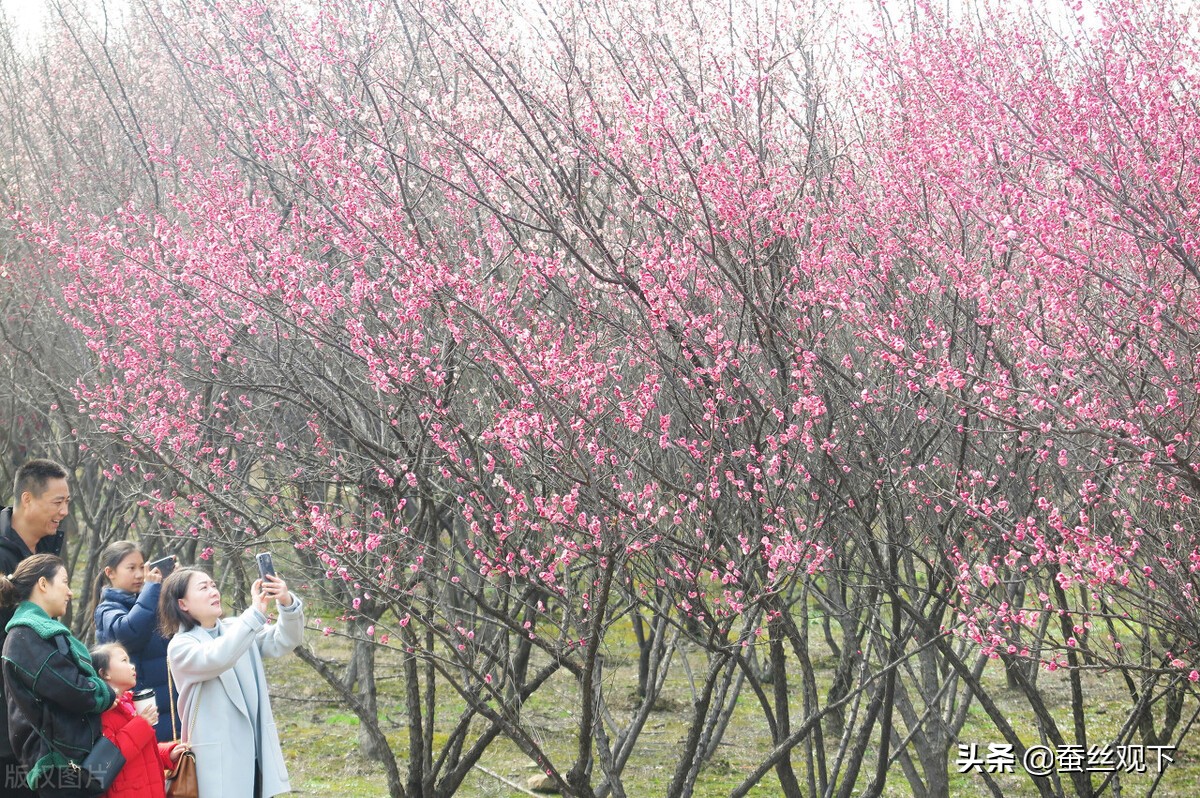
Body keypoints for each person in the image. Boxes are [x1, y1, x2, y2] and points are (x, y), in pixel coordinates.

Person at [159, 567, 304, 798]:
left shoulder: (236, 628)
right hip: (218, 761)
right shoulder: (181, 646)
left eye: (214, 585)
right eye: (203, 588)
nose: (213, 591)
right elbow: (217, 657)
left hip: (255, 752)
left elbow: (284, 640)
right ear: (183, 604)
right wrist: (254, 614)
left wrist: (286, 603)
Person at [1, 554, 116, 798]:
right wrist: (107, 691)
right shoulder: (27, 636)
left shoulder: (35, 632)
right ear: (43, 584)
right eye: (64, 582)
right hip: (58, 764)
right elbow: (75, 690)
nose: (70, 592)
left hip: (69, 762)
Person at [0, 459, 71, 797]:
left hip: (43, 720)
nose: (65, 511)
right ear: (27, 499)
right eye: (58, 502)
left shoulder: (48, 547)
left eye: (67, 501)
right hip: (8, 726)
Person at [93, 541, 175, 741]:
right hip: (143, 707)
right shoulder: (106, 609)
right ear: (110, 572)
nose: (139, 575)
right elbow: (129, 633)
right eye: (131, 568)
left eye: (141, 567)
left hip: (171, 705)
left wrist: (171, 588)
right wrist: (152, 589)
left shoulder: (152, 599)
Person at [91, 642, 186, 798]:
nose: (132, 666)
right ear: (104, 673)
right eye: (124, 661)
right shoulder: (103, 713)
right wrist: (142, 724)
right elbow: (112, 756)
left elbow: (143, 753)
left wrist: (166, 753)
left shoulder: (130, 703)